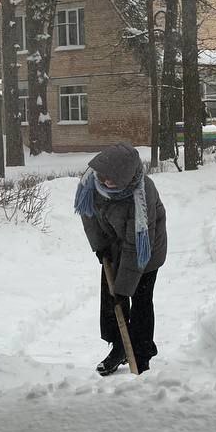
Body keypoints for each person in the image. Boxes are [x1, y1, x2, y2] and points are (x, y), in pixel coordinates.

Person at [74, 142, 168, 375]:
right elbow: (89, 217)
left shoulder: (142, 194)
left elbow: (136, 246)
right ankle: (120, 347)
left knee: (140, 301)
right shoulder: (91, 184)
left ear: (126, 177)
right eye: (104, 177)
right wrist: (101, 247)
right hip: (114, 246)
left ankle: (142, 352)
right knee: (110, 301)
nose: (106, 182)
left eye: (113, 179)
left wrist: (124, 288)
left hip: (146, 249)